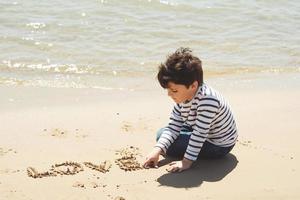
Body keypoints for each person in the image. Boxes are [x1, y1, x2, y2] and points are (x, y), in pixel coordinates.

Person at [143, 47, 238, 173]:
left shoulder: (208, 100)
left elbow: (200, 133)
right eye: (168, 90)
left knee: (168, 142)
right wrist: (156, 151)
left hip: (219, 144)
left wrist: (186, 162)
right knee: (162, 134)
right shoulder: (183, 96)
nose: (169, 94)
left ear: (193, 85)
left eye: (174, 90)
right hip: (200, 129)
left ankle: (191, 155)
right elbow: (174, 126)